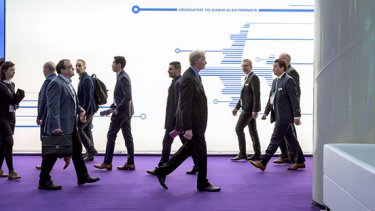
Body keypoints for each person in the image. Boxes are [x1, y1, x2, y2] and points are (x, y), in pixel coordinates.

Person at [152, 50, 221, 192]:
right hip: (194, 125)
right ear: (197, 61)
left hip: (198, 123)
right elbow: (184, 105)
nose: (206, 62)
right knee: (201, 152)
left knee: (187, 149)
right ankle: (202, 182)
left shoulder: (195, 76)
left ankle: (162, 171)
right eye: (204, 59)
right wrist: (187, 128)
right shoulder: (188, 78)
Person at [38, 59, 99, 190]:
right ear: (62, 70)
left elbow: (73, 102)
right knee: (52, 155)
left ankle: (83, 176)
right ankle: (43, 181)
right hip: (59, 127)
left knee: (77, 150)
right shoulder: (56, 83)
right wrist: (56, 126)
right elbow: (53, 107)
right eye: (70, 67)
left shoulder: (68, 83)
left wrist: (80, 110)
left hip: (70, 125)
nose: (73, 69)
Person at [249, 59, 305, 171]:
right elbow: (271, 98)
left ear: (282, 68)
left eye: (275, 67)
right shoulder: (275, 81)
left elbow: (294, 99)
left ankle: (263, 162)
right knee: (291, 139)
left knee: (275, 139)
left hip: (285, 117)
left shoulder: (289, 80)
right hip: (278, 115)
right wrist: (266, 112)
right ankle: (300, 161)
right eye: (273, 67)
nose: (273, 69)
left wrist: (297, 116)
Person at [147, 61, 197, 175]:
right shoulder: (176, 82)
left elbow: (180, 105)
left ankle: (161, 167)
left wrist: (176, 123)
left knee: (169, 143)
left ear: (178, 70)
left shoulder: (178, 83)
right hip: (176, 121)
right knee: (188, 146)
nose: (168, 71)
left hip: (175, 122)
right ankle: (197, 166)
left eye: (170, 69)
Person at [94, 56, 135, 171]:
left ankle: (107, 162)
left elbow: (127, 97)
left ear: (119, 64)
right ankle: (130, 163)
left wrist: (117, 109)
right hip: (126, 112)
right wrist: (112, 107)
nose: (111, 65)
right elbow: (120, 97)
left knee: (111, 135)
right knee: (128, 137)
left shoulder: (123, 77)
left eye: (113, 63)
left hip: (121, 113)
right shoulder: (121, 76)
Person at [272, 53, 301, 164]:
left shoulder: (292, 72)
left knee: (290, 134)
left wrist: (295, 112)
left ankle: (293, 156)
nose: (279, 60)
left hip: (287, 111)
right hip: (280, 110)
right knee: (285, 133)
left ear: (288, 61)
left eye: (281, 59)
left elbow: (295, 93)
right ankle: (285, 155)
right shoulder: (280, 76)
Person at [231, 59, 261, 161]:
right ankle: (257, 154)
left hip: (249, 110)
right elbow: (244, 96)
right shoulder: (247, 78)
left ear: (251, 66)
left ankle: (242, 153)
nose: (244, 67)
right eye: (242, 66)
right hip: (246, 109)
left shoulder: (254, 78)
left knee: (238, 129)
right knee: (253, 131)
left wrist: (255, 110)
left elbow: (257, 95)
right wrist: (236, 107)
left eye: (246, 66)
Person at [0, 61, 23, 180]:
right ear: (4, 71)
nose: (14, 72)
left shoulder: (12, 84)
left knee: (3, 144)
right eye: (11, 70)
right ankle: (11, 171)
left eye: (14, 70)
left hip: (11, 117)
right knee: (9, 143)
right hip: (1, 118)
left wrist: (16, 103)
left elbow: (11, 100)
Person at [76, 59, 98, 162]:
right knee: (87, 129)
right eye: (76, 66)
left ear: (85, 67)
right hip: (89, 110)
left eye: (80, 65)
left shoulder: (86, 79)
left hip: (87, 110)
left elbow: (88, 98)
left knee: (79, 128)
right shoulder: (82, 79)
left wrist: (84, 113)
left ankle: (91, 150)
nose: (77, 68)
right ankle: (90, 154)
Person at [35, 61, 57, 170]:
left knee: (45, 139)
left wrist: (39, 116)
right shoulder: (58, 81)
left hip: (46, 116)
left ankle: (45, 164)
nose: (43, 71)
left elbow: (43, 100)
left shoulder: (48, 81)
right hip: (55, 116)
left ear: (47, 69)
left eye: (43, 69)